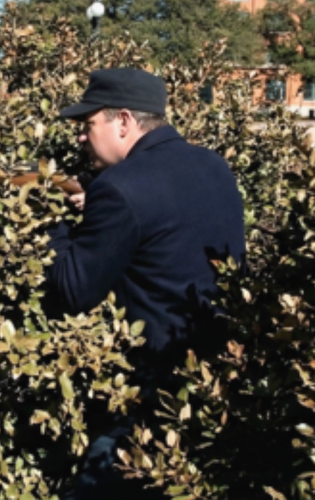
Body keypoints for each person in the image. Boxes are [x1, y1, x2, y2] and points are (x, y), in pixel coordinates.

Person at [45, 67, 246, 498]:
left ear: (123, 121)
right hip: (217, 384)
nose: (80, 136)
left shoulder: (119, 188)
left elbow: (73, 291)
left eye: (88, 124)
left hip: (149, 395)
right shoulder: (214, 165)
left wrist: (53, 221)